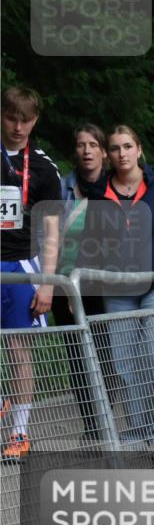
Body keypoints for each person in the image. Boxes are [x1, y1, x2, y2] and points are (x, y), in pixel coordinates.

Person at [80, 125, 154, 451]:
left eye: (127, 146)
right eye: (115, 148)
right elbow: (92, 241)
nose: (121, 154)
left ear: (139, 149)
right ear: (108, 154)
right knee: (125, 362)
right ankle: (137, 430)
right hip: (117, 286)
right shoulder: (98, 192)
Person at [0, 86, 62, 463]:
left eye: (26, 120)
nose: (18, 126)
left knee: (20, 351)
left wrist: (48, 283)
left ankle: (20, 431)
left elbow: (54, 230)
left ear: (35, 121)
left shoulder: (42, 166)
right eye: (11, 117)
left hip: (22, 265)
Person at [50, 124, 121, 444]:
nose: (87, 150)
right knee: (77, 356)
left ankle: (105, 419)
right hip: (67, 282)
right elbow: (49, 238)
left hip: (106, 284)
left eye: (94, 144)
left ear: (104, 152)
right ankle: (92, 426)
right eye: (81, 145)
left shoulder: (115, 187)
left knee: (108, 357)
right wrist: (58, 282)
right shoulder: (62, 186)